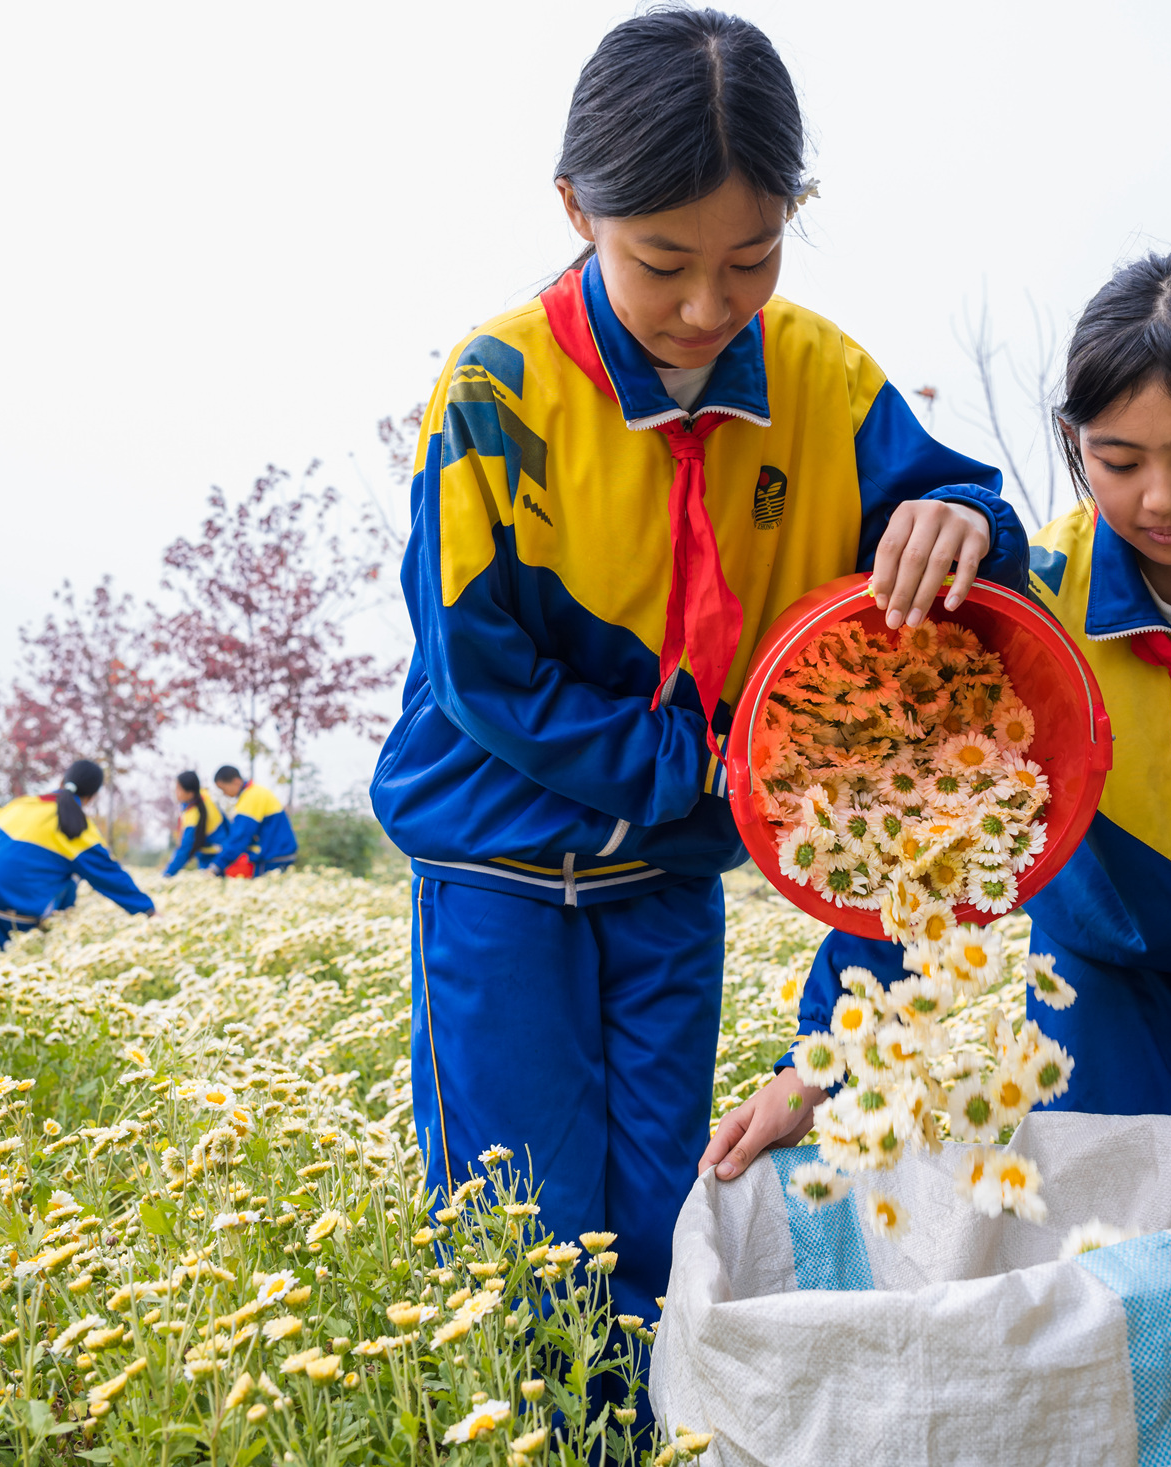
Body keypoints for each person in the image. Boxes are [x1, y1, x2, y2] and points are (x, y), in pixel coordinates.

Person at [366, 9, 1027, 1363]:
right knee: (520, 1227)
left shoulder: (825, 379)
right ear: (576, 208)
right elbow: (481, 668)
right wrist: (704, 776)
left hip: (666, 887)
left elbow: (955, 515)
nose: (710, 305)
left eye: (753, 258)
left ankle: (650, 1439)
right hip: (496, 876)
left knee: (666, 1224)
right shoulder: (495, 391)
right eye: (663, 262)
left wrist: (970, 521)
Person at [706, 250, 1171, 1279]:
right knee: (1094, 1268)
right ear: (1072, 444)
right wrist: (825, 1061)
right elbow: (925, 843)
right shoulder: (1043, 592)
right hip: (1096, 980)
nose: (1160, 498)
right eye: (1117, 461)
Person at [0, 760, 154, 947]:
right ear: (92, 796)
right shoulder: (77, 826)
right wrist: (149, 911)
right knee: (72, 874)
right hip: (13, 904)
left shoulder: (21, 804)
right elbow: (110, 877)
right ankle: (59, 925)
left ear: (62, 781)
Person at [210, 766, 295, 877]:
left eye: (223, 789)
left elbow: (240, 837)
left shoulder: (251, 797)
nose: (224, 794)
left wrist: (216, 866)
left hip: (273, 855)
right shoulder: (255, 792)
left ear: (236, 781)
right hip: (280, 852)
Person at [162, 770, 229, 878]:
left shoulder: (192, 816)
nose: (175, 792)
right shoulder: (205, 796)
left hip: (216, 858)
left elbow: (185, 849)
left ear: (190, 793)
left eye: (179, 789)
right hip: (214, 854)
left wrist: (167, 874)